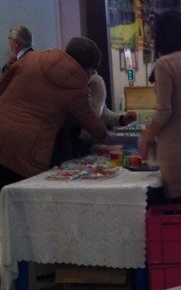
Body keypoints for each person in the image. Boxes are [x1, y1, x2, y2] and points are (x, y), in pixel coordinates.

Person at [0, 37, 108, 190]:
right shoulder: (77, 83)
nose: (90, 76)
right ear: (86, 68)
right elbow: (91, 121)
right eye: (91, 72)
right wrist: (108, 139)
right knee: (15, 200)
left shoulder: (31, 58)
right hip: (26, 153)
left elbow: (2, 85)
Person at [138, 10, 181, 203]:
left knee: (177, 203)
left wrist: (146, 139)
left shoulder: (165, 64)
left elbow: (164, 112)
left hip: (176, 141)